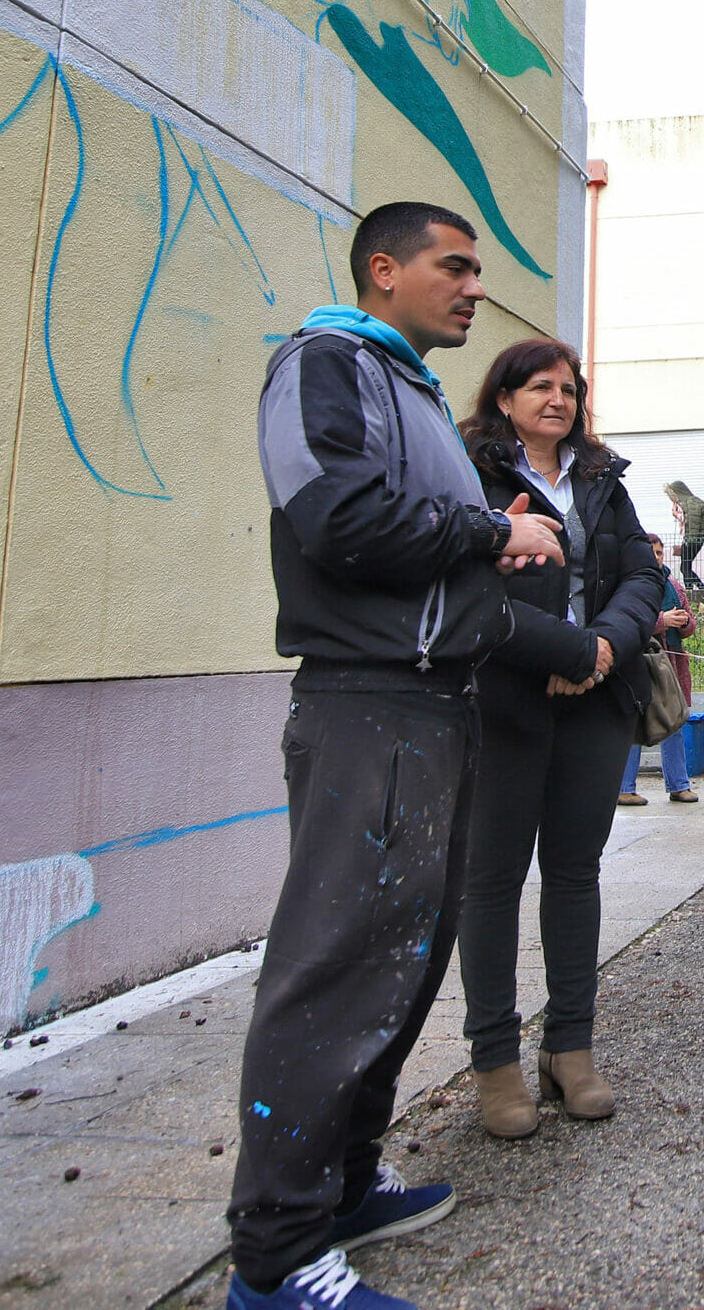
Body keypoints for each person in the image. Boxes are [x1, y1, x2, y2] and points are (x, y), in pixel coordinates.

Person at [233, 203, 586, 1310]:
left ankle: (342, 1187)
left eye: (478, 268)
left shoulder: (410, 387)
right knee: (337, 966)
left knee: (406, 956)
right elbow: (338, 518)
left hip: (437, 705)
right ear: (383, 269)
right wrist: (490, 531)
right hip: (368, 706)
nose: (477, 287)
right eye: (456, 266)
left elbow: (416, 536)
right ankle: (276, 1257)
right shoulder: (324, 363)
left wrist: (491, 545)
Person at [453, 339, 666, 1137]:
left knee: (575, 873)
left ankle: (569, 1049)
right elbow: (463, 585)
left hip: (595, 698)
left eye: (569, 389)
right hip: (500, 698)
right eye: (539, 386)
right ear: (504, 398)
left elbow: (645, 575)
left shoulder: (602, 480)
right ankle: (495, 1062)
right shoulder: (469, 475)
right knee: (491, 881)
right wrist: (564, 651)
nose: (558, 399)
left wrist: (601, 647)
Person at [618, 535, 698, 806]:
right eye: (651, 552)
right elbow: (628, 622)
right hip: (639, 662)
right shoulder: (629, 585)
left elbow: (689, 625)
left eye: (660, 553)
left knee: (673, 719)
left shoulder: (674, 586)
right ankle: (624, 788)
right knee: (634, 723)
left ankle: (679, 785)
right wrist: (662, 620)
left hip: (671, 665)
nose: (657, 557)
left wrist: (684, 622)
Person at [666, 480, 704, 594]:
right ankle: (698, 590)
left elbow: (693, 520)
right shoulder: (690, 502)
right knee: (685, 567)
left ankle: (695, 591)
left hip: (693, 539)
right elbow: (688, 520)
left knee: (685, 568)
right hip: (693, 538)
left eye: (671, 496)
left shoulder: (690, 502)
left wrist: (689, 539)